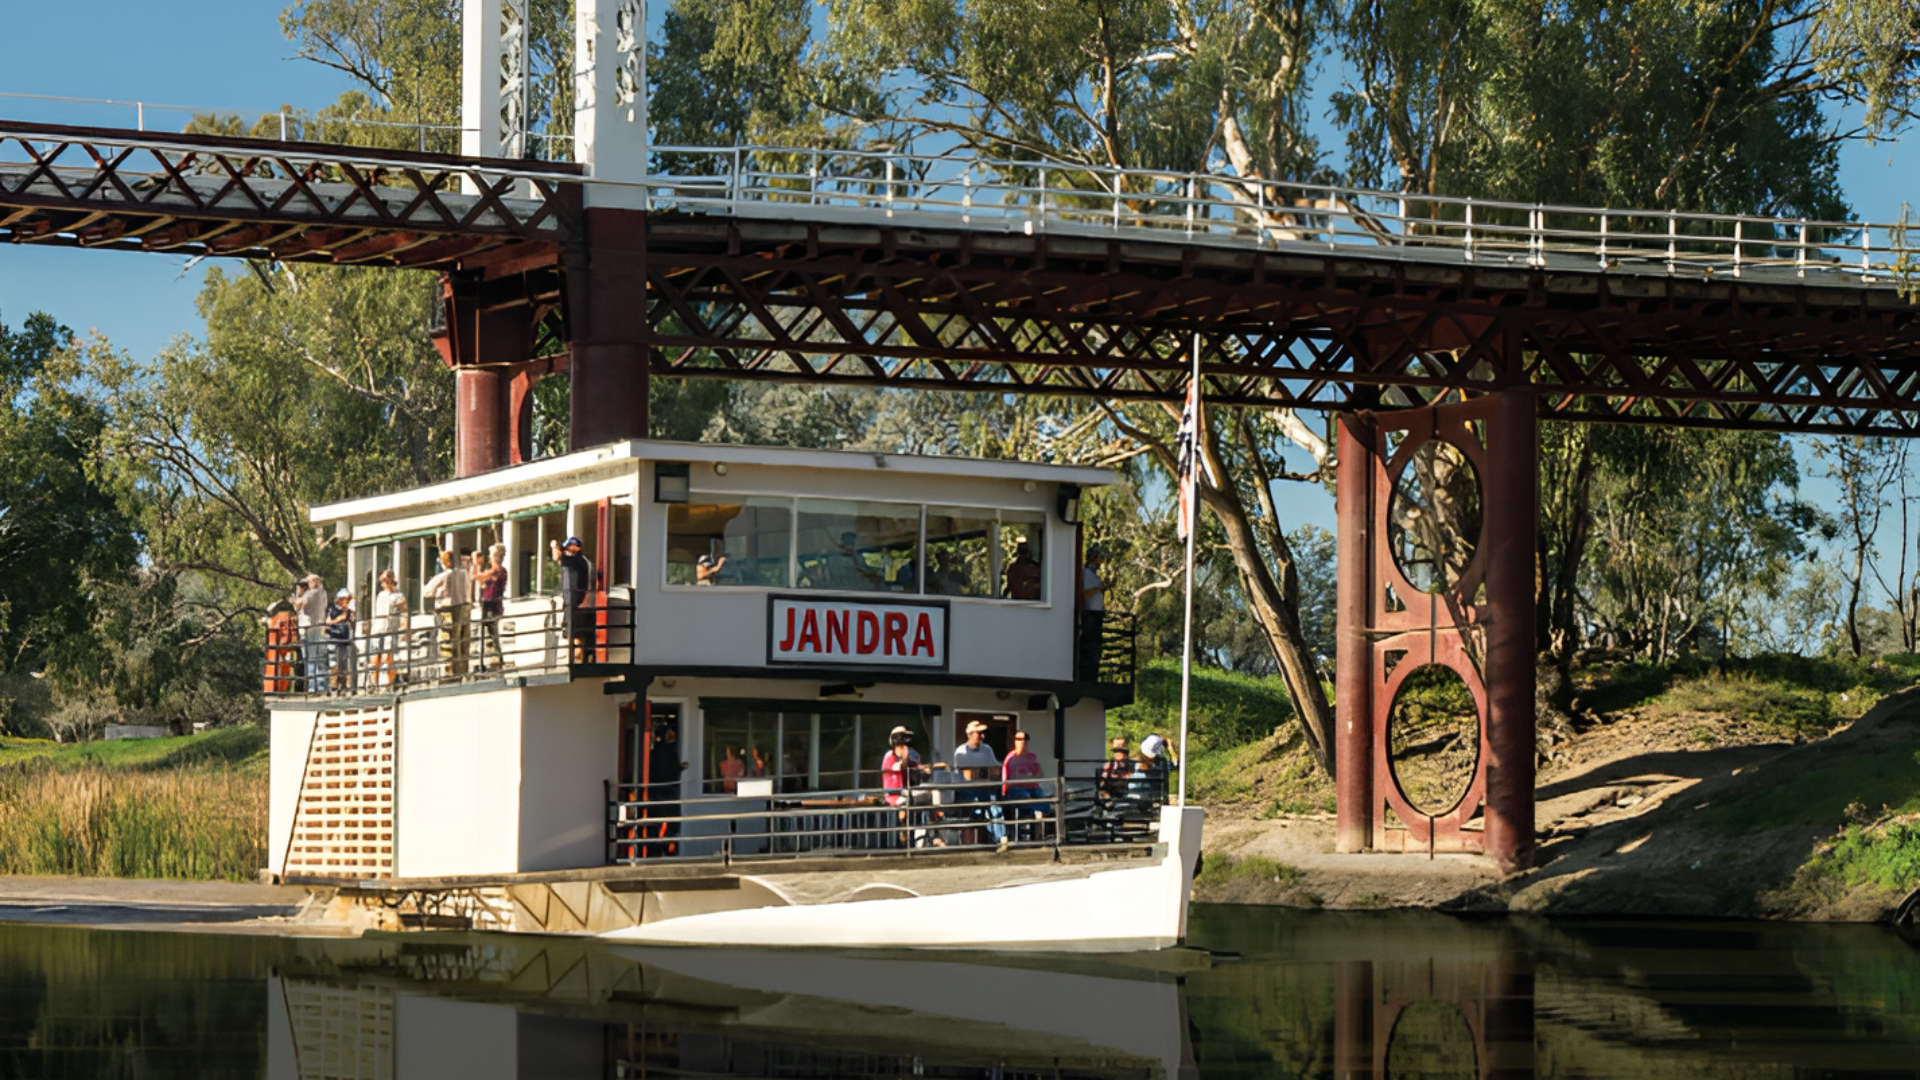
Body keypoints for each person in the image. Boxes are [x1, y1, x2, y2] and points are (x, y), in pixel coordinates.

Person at [951, 719, 1005, 847]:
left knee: (995, 806)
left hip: (985, 786)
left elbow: (994, 767)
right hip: (968, 789)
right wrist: (983, 772)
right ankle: (985, 838)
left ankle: (1000, 839)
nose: (982, 736)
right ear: (970, 734)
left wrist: (999, 770)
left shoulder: (987, 749)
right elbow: (967, 775)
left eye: (982, 733)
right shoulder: (960, 752)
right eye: (978, 733)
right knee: (976, 809)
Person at [422, 550, 471, 677]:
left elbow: (426, 592)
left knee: (447, 641)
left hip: (447, 610)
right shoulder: (464, 574)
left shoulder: (443, 576)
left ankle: (448, 671)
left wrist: (438, 593)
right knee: (462, 641)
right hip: (464, 609)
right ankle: (462, 671)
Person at [879, 726, 930, 846]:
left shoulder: (912, 755)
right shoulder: (889, 756)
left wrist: (926, 769)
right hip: (894, 794)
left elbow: (916, 766)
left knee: (929, 795)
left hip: (907, 792)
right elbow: (901, 766)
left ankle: (929, 833)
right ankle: (904, 832)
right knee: (909, 801)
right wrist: (905, 755)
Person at [551, 535, 593, 663]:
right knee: (571, 631)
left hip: (576, 599)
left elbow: (557, 556)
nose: (567, 549)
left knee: (577, 631)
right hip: (570, 599)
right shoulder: (575, 560)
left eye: (570, 546)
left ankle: (578, 659)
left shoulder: (578, 560)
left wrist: (554, 546)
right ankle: (575, 658)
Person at [1001, 730, 1046, 842]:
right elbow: (1005, 778)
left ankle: (1039, 835)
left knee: (1042, 796)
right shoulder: (1010, 758)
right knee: (1025, 796)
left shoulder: (1032, 756)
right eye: (1019, 739)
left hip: (1032, 788)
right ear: (1014, 741)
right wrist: (1003, 793)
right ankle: (1034, 815)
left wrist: (1035, 779)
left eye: (1024, 739)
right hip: (1017, 789)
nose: (1022, 742)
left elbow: (1038, 772)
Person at [475, 542, 507, 672]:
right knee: (489, 633)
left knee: (491, 633)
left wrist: (477, 565)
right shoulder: (497, 570)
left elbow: (479, 577)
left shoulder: (497, 570)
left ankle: (494, 660)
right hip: (489, 604)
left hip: (492, 605)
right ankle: (492, 659)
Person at [371, 569, 407, 686]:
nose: (385, 584)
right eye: (383, 582)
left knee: (388, 658)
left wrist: (404, 628)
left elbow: (405, 612)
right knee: (375, 658)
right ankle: (374, 684)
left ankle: (389, 683)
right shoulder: (380, 595)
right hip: (378, 628)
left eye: (387, 581)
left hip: (390, 629)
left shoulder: (398, 596)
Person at [1078, 544, 1108, 680]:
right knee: (1090, 647)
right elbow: (1084, 593)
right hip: (1089, 615)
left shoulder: (1095, 576)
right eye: (1098, 558)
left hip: (1097, 615)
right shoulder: (1085, 573)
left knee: (1096, 648)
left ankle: (1093, 675)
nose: (1100, 562)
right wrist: (1099, 588)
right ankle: (1087, 677)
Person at [295, 574, 329, 693]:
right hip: (318, 629)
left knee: (312, 660)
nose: (307, 585)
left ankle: (314, 688)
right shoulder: (322, 593)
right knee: (318, 659)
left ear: (315, 581)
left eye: (309, 582)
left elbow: (302, 607)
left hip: (312, 630)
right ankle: (321, 686)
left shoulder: (314, 593)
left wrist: (298, 597)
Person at [326, 587, 357, 693]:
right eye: (344, 599)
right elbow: (329, 621)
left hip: (346, 639)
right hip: (335, 638)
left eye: (347, 599)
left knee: (345, 663)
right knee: (334, 663)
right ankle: (334, 685)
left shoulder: (348, 609)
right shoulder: (332, 609)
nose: (346, 601)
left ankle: (344, 685)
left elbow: (345, 616)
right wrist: (334, 622)